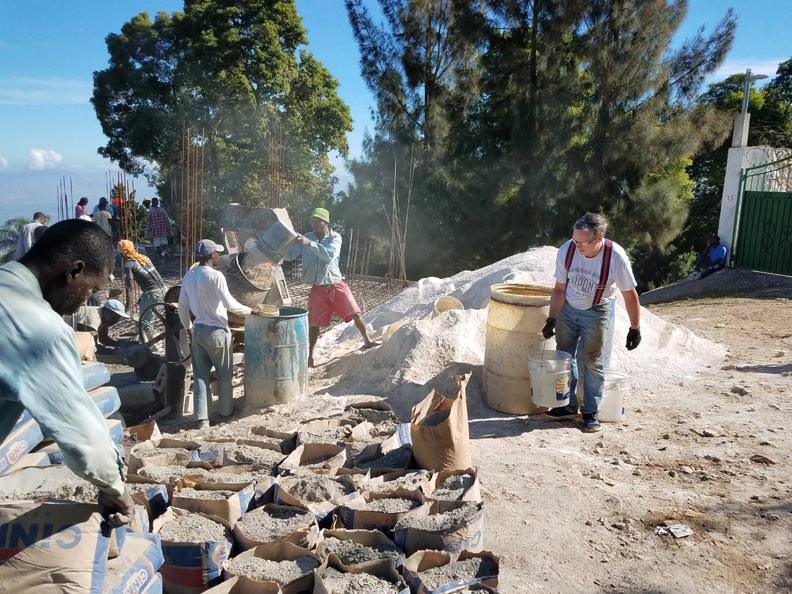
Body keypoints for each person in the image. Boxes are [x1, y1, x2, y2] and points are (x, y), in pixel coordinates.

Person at [0, 219, 134, 524]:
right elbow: (78, 427)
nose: (83, 303)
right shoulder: (37, 326)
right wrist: (115, 487)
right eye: (90, 290)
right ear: (73, 271)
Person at [542, 212, 642, 433]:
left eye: (581, 242)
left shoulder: (615, 257)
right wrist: (552, 317)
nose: (576, 245)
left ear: (598, 239)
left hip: (597, 309)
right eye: (574, 239)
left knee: (591, 359)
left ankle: (590, 412)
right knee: (564, 355)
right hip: (568, 306)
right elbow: (559, 288)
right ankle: (567, 405)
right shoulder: (567, 250)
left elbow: (629, 294)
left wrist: (635, 328)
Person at [178, 239, 262, 428]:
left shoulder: (189, 276)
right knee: (224, 374)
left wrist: (188, 328)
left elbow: (182, 307)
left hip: (198, 331)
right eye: (217, 253)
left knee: (200, 376)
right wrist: (251, 311)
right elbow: (230, 304)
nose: (219, 255)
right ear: (211, 256)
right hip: (217, 332)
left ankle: (202, 419)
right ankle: (225, 412)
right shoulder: (216, 276)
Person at [284, 207, 377, 367]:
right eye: (312, 221)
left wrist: (310, 244)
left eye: (318, 221)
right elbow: (290, 256)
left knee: (355, 312)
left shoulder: (335, 238)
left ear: (326, 222)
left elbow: (328, 256)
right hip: (318, 287)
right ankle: (310, 357)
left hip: (336, 284)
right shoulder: (307, 237)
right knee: (313, 322)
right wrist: (288, 243)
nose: (314, 225)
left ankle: (367, 340)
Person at [118, 240, 166, 344]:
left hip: (152, 293)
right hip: (162, 289)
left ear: (123, 252)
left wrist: (127, 308)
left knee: (145, 324)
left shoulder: (129, 264)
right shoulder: (144, 258)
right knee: (145, 312)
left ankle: (153, 346)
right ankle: (142, 339)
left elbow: (129, 288)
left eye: (119, 251)